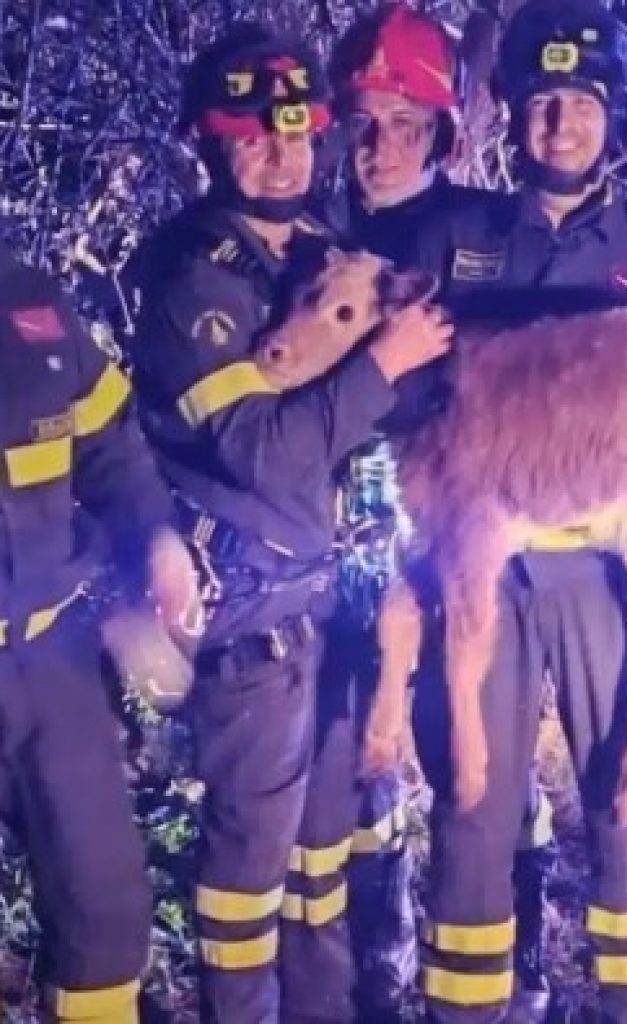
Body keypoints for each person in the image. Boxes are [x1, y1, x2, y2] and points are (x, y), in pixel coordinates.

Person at [122, 24, 451, 1023]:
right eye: (252, 137)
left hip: (331, 605)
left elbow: (385, 409)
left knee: (324, 861)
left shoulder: (316, 245)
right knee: (247, 879)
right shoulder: (192, 276)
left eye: (298, 131)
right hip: (250, 624)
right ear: (207, 144)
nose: (281, 154)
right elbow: (261, 451)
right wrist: (381, 360)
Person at [408, 2, 627, 1021]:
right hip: (483, 563)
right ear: (511, 114)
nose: (559, 125)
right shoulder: (451, 238)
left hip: (608, 573)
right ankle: (467, 1005)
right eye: (541, 103)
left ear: (611, 117)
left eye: (581, 104)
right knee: (471, 799)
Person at [321, 7, 559, 1018]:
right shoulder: (315, 236)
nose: (380, 147)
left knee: (479, 756)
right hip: (346, 520)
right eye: (363, 123)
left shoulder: (497, 231)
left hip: (469, 530)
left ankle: (520, 958)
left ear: (444, 133)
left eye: (405, 125)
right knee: (360, 746)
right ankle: (376, 966)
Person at [0, 241, 195, 1023]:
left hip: (48, 661)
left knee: (105, 914)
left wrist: (157, 536)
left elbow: (109, 440)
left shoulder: (31, 300)